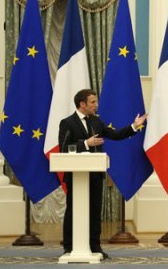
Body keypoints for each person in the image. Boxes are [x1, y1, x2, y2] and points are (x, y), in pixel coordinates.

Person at [59, 89, 147, 259]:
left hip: (95, 175)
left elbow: (114, 135)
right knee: (72, 211)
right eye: (93, 102)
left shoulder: (96, 121)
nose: (96, 105)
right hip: (76, 177)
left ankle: (95, 246)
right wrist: (86, 143)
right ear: (82, 104)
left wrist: (134, 126)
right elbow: (64, 148)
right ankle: (69, 247)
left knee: (95, 211)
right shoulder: (67, 123)